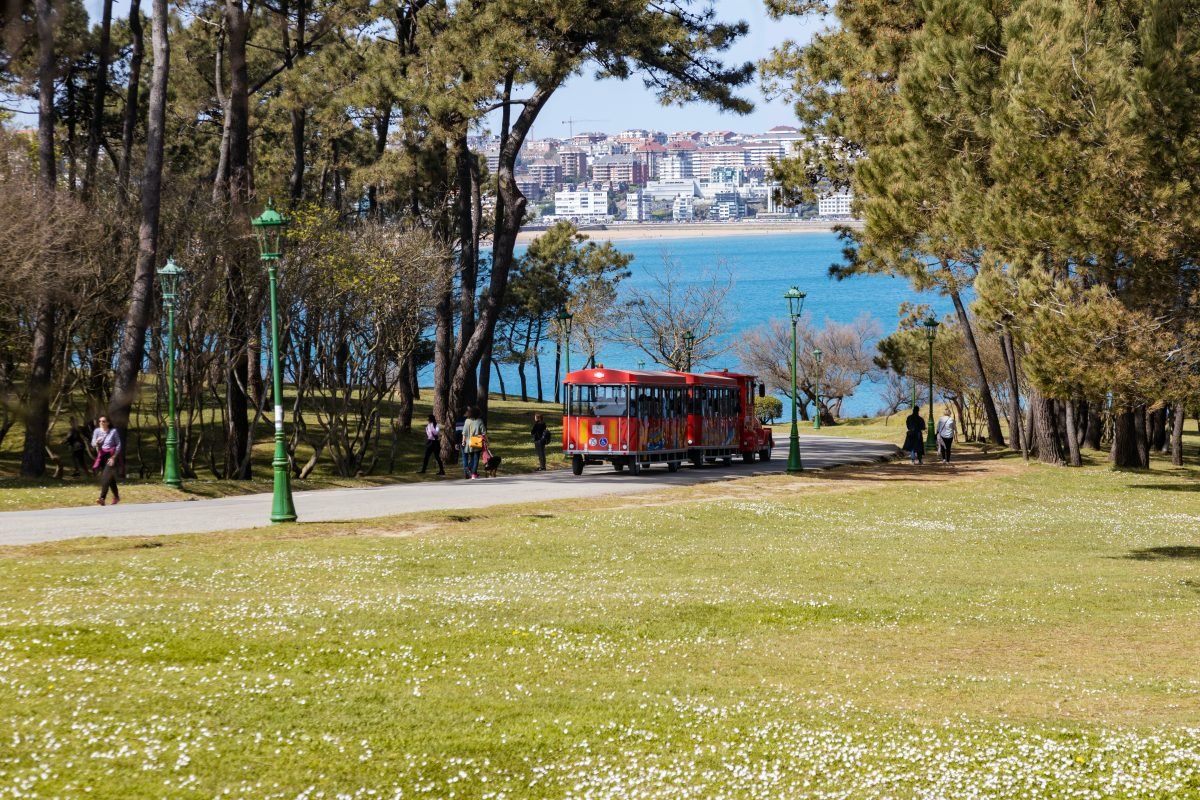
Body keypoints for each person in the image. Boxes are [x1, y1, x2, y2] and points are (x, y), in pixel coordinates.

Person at [91, 415, 122, 505]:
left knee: (105, 477)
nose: (101, 423)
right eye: (100, 421)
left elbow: (119, 444)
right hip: (102, 456)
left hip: (111, 456)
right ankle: (116, 497)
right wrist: (96, 442)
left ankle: (102, 498)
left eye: (103, 421)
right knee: (110, 478)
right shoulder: (97, 431)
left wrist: (114, 457)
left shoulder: (113, 431)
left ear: (108, 423)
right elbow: (93, 443)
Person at [461, 407, 486, 480]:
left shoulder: (467, 421)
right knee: (475, 459)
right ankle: (473, 473)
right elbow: (483, 432)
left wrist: (463, 441)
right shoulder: (479, 421)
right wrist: (486, 441)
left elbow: (464, 433)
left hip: (468, 442)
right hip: (477, 442)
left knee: (472, 458)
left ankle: (469, 470)